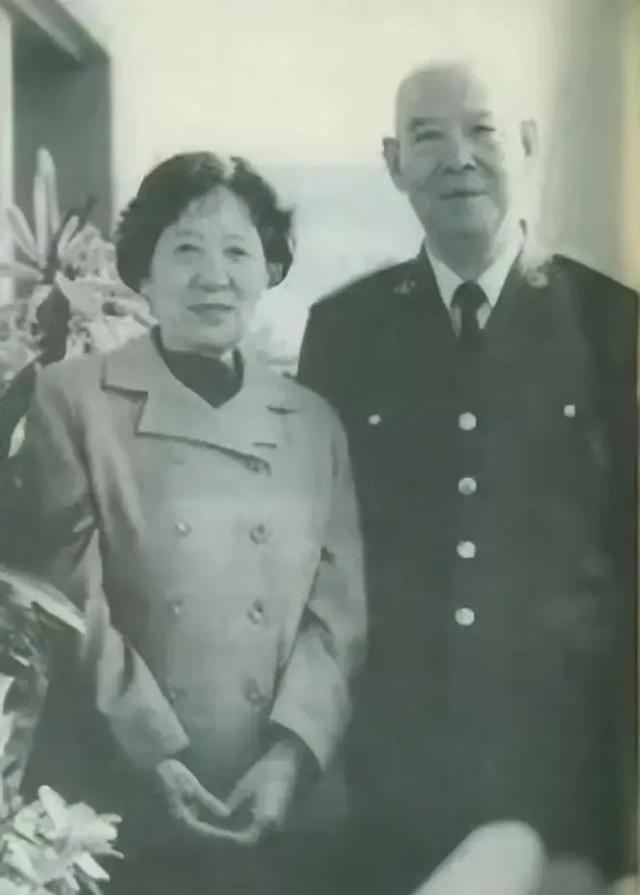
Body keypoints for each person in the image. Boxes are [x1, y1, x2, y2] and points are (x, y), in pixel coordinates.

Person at [298, 60, 637, 893]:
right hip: (389, 782)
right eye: (427, 136)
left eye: (482, 130)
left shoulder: (614, 322)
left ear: (528, 143)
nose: (457, 157)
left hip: (565, 778)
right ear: (393, 162)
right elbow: (317, 563)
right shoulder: (344, 330)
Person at [7, 151, 366, 894]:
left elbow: (338, 616)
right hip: (120, 803)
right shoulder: (71, 400)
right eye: (186, 250)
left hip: (283, 807)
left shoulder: (314, 421)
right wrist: (156, 754)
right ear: (143, 271)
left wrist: (290, 757)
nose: (214, 276)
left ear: (269, 269)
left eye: (238, 252)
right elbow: (70, 604)